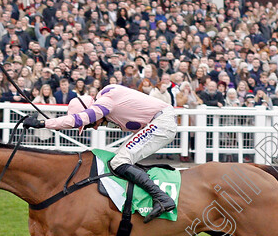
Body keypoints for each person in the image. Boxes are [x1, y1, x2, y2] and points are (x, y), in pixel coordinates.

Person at [23, 83, 177, 222]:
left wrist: (43, 123)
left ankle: (162, 198)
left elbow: (80, 118)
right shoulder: (106, 98)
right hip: (157, 122)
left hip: (161, 122)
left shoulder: (105, 100)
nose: (95, 127)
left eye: (91, 125)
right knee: (117, 161)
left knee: (119, 162)